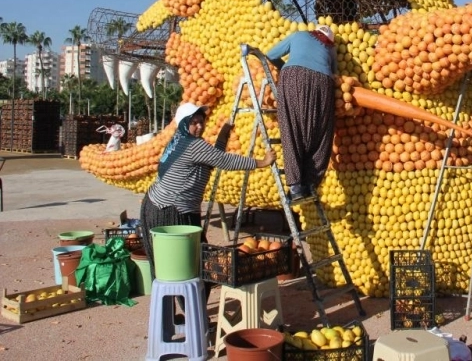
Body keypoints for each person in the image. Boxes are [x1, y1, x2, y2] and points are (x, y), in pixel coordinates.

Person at [140, 102, 277, 278]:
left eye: (201, 121)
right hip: (170, 210)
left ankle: (189, 304)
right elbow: (225, 161)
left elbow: (212, 157)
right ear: (183, 123)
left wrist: (224, 133)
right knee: (187, 269)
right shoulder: (193, 145)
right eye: (194, 122)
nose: (199, 126)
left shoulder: (180, 140)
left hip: (161, 206)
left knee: (177, 270)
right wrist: (262, 162)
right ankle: (190, 304)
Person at [266, 25, 338, 202]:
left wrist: (285, 67)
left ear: (314, 32)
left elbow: (271, 55)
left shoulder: (298, 35)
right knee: (321, 132)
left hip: (294, 77)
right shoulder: (331, 49)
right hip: (323, 82)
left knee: (292, 128)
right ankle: (311, 182)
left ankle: (296, 186)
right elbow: (335, 74)